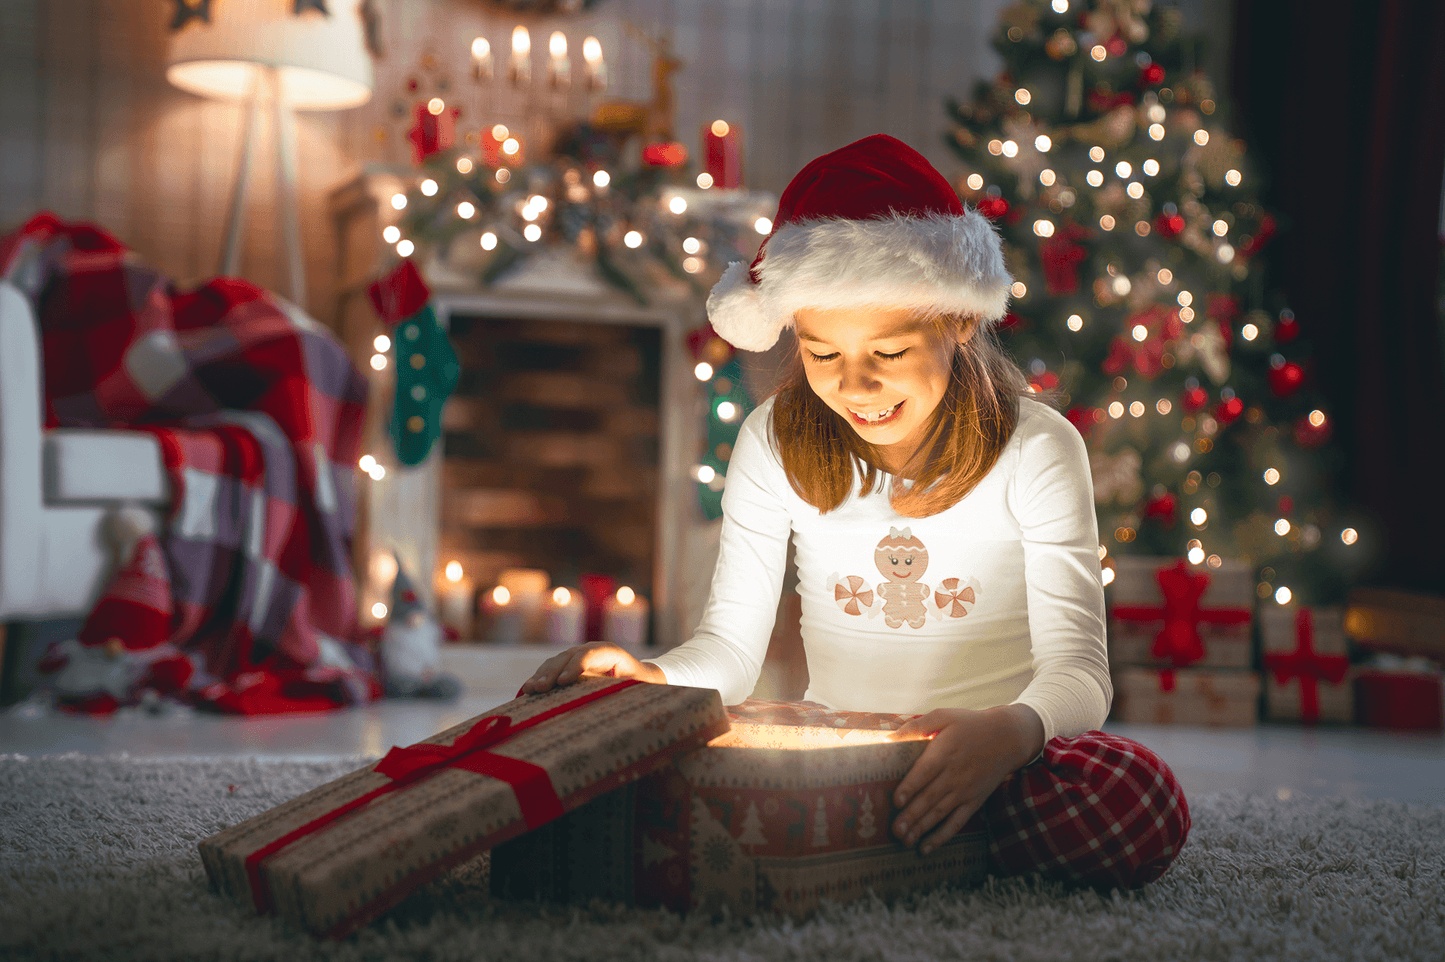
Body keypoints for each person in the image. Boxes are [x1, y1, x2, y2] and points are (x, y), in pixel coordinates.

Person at [523, 134, 1189, 889]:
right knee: (640, 770)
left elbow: (1079, 673)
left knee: (1134, 798)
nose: (857, 386)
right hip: (839, 756)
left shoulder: (1037, 448)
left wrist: (1011, 730)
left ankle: (889, 840)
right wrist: (648, 677)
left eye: (890, 352)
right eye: (823, 355)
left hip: (992, 759)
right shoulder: (771, 441)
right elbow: (730, 656)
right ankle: (915, 846)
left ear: (958, 321)